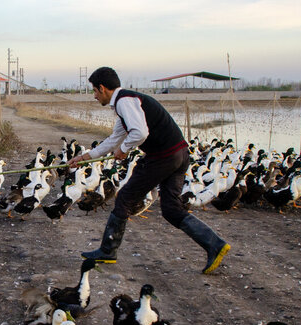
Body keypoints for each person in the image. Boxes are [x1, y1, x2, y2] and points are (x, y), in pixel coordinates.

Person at [68, 67, 230, 274]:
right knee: (171, 209)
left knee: (125, 197)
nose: (94, 95)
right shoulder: (127, 103)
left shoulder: (124, 101)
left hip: (164, 157)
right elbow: (114, 139)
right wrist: (83, 158)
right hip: (180, 154)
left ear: (102, 88)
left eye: (95, 91)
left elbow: (140, 132)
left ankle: (108, 251)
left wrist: (125, 150)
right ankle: (215, 245)